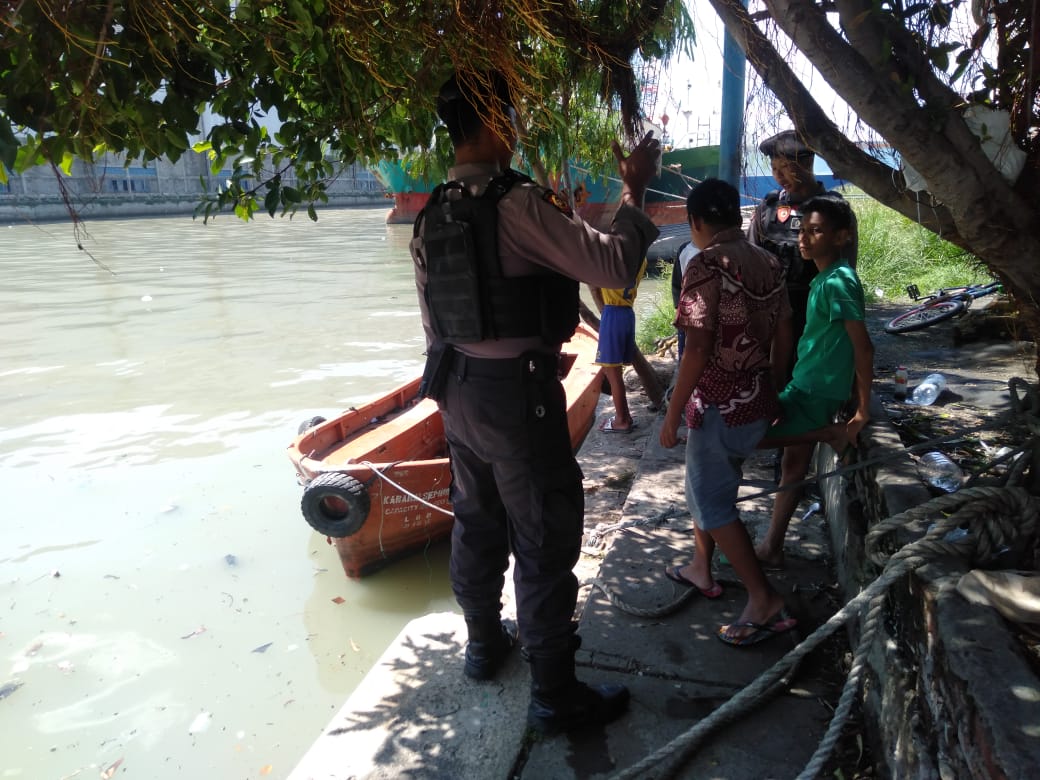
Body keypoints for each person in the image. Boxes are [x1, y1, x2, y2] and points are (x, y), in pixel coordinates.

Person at [410, 70, 661, 734]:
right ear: (496, 119)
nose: (517, 126)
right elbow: (614, 265)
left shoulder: (432, 211)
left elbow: (434, 319)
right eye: (512, 113)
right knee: (544, 532)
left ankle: (483, 644)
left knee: (476, 518)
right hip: (517, 396)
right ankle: (554, 693)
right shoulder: (516, 203)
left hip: (455, 389)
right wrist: (634, 189)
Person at [660, 178, 798, 647]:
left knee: (713, 503)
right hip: (755, 399)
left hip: (718, 405)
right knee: (708, 488)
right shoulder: (769, 261)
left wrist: (672, 415)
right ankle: (701, 567)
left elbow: (697, 348)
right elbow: (784, 330)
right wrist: (773, 388)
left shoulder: (704, 265)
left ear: (696, 221)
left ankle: (764, 599)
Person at [754, 195, 875, 569]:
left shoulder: (839, 282)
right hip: (806, 381)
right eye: (802, 230)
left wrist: (862, 410)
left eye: (816, 231)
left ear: (841, 237)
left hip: (815, 390)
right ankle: (772, 546)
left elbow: (863, 346)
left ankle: (829, 434)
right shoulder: (824, 278)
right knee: (793, 465)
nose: (803, 239)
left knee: (748, 437)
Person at [747, 130, 858, 366]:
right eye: (774, 168)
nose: (778, 175)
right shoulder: (769, 207)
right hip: (772, 314)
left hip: (816, 315)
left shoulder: (835, 210)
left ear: (807, 163)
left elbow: (846, 268)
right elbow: (750, 258)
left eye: (785, 167)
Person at [592, 257, 648, 433]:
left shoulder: (609, 259)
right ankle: (625, 416)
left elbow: (592, 281)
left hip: (612, 312)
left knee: (612, 372)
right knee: (616, 371)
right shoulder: (640, 259)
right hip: (627, 312)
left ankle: (621, 420)